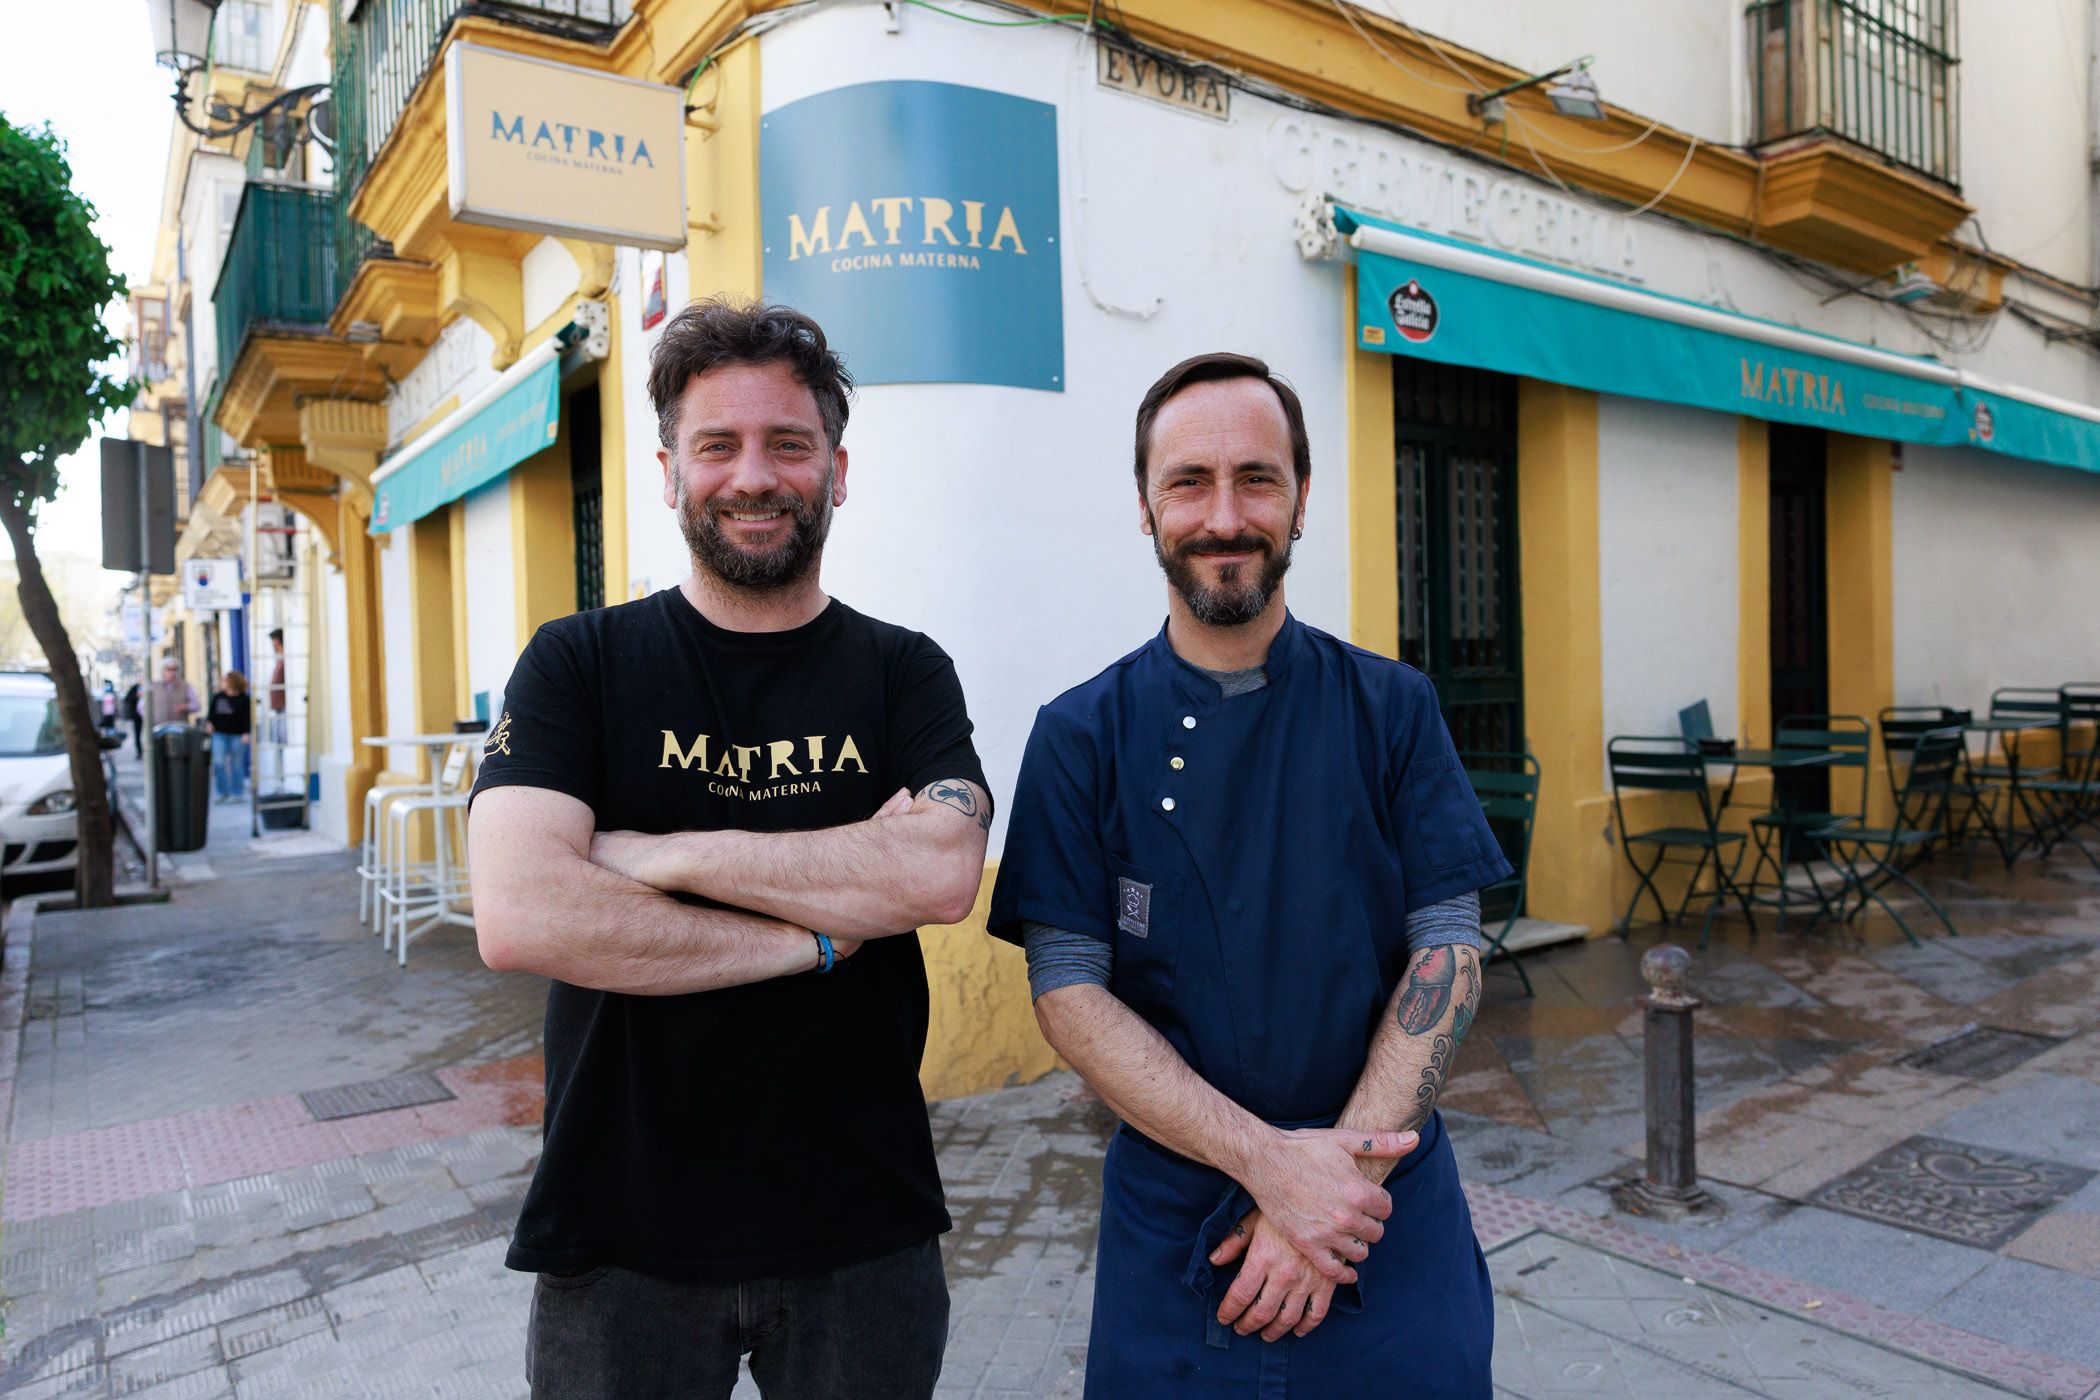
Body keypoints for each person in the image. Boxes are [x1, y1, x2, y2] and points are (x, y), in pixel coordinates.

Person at [467, 298, 993, 1400]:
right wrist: (818, 933)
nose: (753, 475)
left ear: (836, 470)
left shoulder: (905, 672)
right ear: (669, 471)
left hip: (863, 1223)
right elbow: (524, 911)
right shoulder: (578, 664)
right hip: (618, 1226)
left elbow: (940, 871)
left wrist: (656, 853)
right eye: (718, 445)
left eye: (788, 444)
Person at [988, 353, 1513, 1397]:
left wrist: (1336, 1184)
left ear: (1302, 499)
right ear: (1145, 506)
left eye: (1257, 479)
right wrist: (1272, 1166)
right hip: (1179, 1225)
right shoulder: (1079, 734)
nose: (1223, 515)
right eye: (1189, 481)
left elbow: (1448, 950)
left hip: (1382, 1212)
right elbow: (1069, 992)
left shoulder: (1393, 708)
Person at [205, 672, 251, 802]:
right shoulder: (218, 697)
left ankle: (237, 793)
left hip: (238, 735)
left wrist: (247, 733)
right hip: (219, 734)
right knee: (219, 762)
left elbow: (248, 718)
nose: (222, 682)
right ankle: (222, 792)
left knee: (236, 764)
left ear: (232, 682)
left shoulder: (244, 699)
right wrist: (209, 724)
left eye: (225, 680)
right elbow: (211, 715)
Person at [151, 659, 197, 729]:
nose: (173, 672)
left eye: (175, 669)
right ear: (163, 671)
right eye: (169, 669)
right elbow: (142, 707)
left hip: (179, 728)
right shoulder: (154, 686)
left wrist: (186, 706)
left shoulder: (186, 686)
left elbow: (196, 705)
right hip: (158, 728)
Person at [121, 680, 142, 758]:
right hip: (137, 716)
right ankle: (139, 752)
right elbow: (127, 699)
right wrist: (136, 696)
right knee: (137, 734)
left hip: (149, 716)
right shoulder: (135, 687)